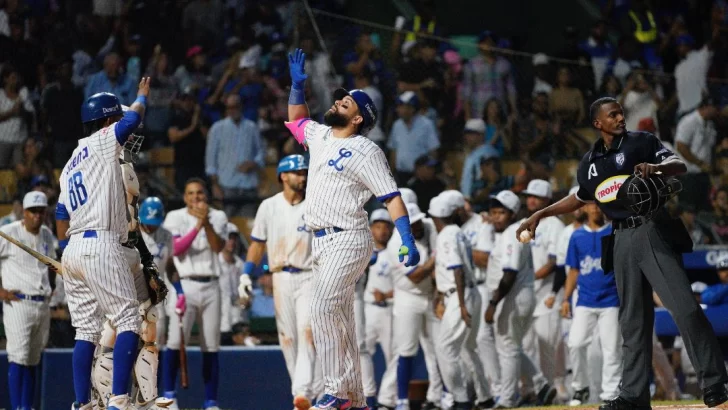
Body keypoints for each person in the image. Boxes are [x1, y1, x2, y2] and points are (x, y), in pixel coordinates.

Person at [517, 96, 728, 410]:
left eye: (620, 112)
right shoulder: (589, 163)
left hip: (651, 229)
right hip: (619, 237)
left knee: (685, 308)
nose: (619, 118)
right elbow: (579, 198)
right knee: (632, 322)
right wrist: (540, 215)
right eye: (612, 114)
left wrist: (657, 167)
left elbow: (679, 165)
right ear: (597, 123)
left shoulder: (641, 142)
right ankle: (634, 395)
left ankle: (715, 384)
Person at [284, 48, 420, 410]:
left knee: (324, 308)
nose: (340, 101)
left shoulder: (366, 149)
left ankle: (335, 390)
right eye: (341, 98)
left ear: (359, 118)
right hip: (322, 242)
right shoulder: (321, 136)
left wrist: (406, 238)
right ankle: (356, 400)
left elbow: (391, 197)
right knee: (340, 317)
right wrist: (297, 88)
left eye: (347, 102)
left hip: (348, 237)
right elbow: (297, 120)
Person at [56, 79, 150, 410]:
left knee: (85, 331)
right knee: (128, 321)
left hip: (75, 246)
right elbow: (131, 122)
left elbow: (61, 212)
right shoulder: (99, 143)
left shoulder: (69, 164)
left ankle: (83, 403)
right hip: (101, 242)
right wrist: (140, 97)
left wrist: (70, 254)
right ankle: (119, 400)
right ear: (106, 120)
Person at [241, 154, 316, 410]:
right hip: (280, 276)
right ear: (283, 176)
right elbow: (257, 243)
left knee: (308, 331)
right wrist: (245, 273)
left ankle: (303, 391)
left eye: (304, 172)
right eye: (297, 172)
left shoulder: (315, 204)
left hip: (309, 275)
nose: (302, 176)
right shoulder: (269, 206)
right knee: (288, 338)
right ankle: (301, 396)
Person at [484, 190, 557, 409]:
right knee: (513, 347)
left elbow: (509, 273)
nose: (496, 216)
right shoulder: (511, 232)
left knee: (508, 348)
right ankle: (541, 385)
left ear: (513, 214)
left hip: (513, 296)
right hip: (520, 295)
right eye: (493, 212)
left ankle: (507, 400)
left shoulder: (510, 234)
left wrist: (493, 304)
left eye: (502, 212)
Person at [161, 178, 228, 410]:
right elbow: (177, 249)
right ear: (184, 197)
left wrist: (206, 223)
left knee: (211, 345)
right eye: (190, 193)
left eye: (199, 193)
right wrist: (198, 225)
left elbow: (218, 246)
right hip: (184, 284)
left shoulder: (218, 216)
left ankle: (211, 402)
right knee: (175, 341)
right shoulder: (175, 217)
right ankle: (169, 396)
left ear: (206, 196)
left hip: (211, 284)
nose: (195, 197)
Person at [429, 194, 493, 410]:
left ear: (439, 217)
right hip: (469, 293)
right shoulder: (459, 232)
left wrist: (461, 305)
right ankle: (485, 397)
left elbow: (456, 268)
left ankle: (461, 400)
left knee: (445, 348)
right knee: (469, 348)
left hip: (460, 295)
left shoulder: (446, 234)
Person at [561, 203, 621, 405]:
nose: (595, 208)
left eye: (598, 203)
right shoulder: (577, 236)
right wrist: (566, 299)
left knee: (611, 347)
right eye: (590, 204)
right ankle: (581, 387)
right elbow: (573, 271)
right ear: (584, 208)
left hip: (611, 298)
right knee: (575, 343)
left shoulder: (615, 231)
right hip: (585, 299)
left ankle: (610, 393)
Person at [0, 191, 56, 410]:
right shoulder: (8, 233)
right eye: (32, 211)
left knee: (33, 359)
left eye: (40, 211)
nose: (37, 215)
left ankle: (27, 407)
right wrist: (1, 292)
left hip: (41, 303)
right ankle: (18, 407)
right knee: (19, 357)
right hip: (18, 302)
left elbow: (50, 265)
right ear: (24, 212)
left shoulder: (46, 234)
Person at [520, 180, 567, 398]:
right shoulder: (524, 222)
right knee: (528, 345)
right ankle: (533, 391)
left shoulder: (554, 225)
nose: (531, 199)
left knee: (548, 347)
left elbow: (553, 263)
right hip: (528, 295)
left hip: (548, 295)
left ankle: (552, 391)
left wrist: (527, 277)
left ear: (547, 201)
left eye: (536, 197)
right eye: (529, 195)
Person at [358, 209, 395, 409]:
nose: (381, 231)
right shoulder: (362, 251)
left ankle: (386, 400)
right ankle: (365, 398)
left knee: (394, 356)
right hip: (367, 309)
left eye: (385, 227)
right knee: (362, 354)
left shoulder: (397, 251)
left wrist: (388, 294)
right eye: (377, 226)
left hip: (390, 310)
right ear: (370, 228)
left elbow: (407, 287)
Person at [138, 197, 176, 348]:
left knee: (155, 345)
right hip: (133, 297)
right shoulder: (129, 235)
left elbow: (170, 266)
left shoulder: (166, 235)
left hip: (156, 298)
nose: (151, 227)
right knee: (132, 347)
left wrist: (179, 291)